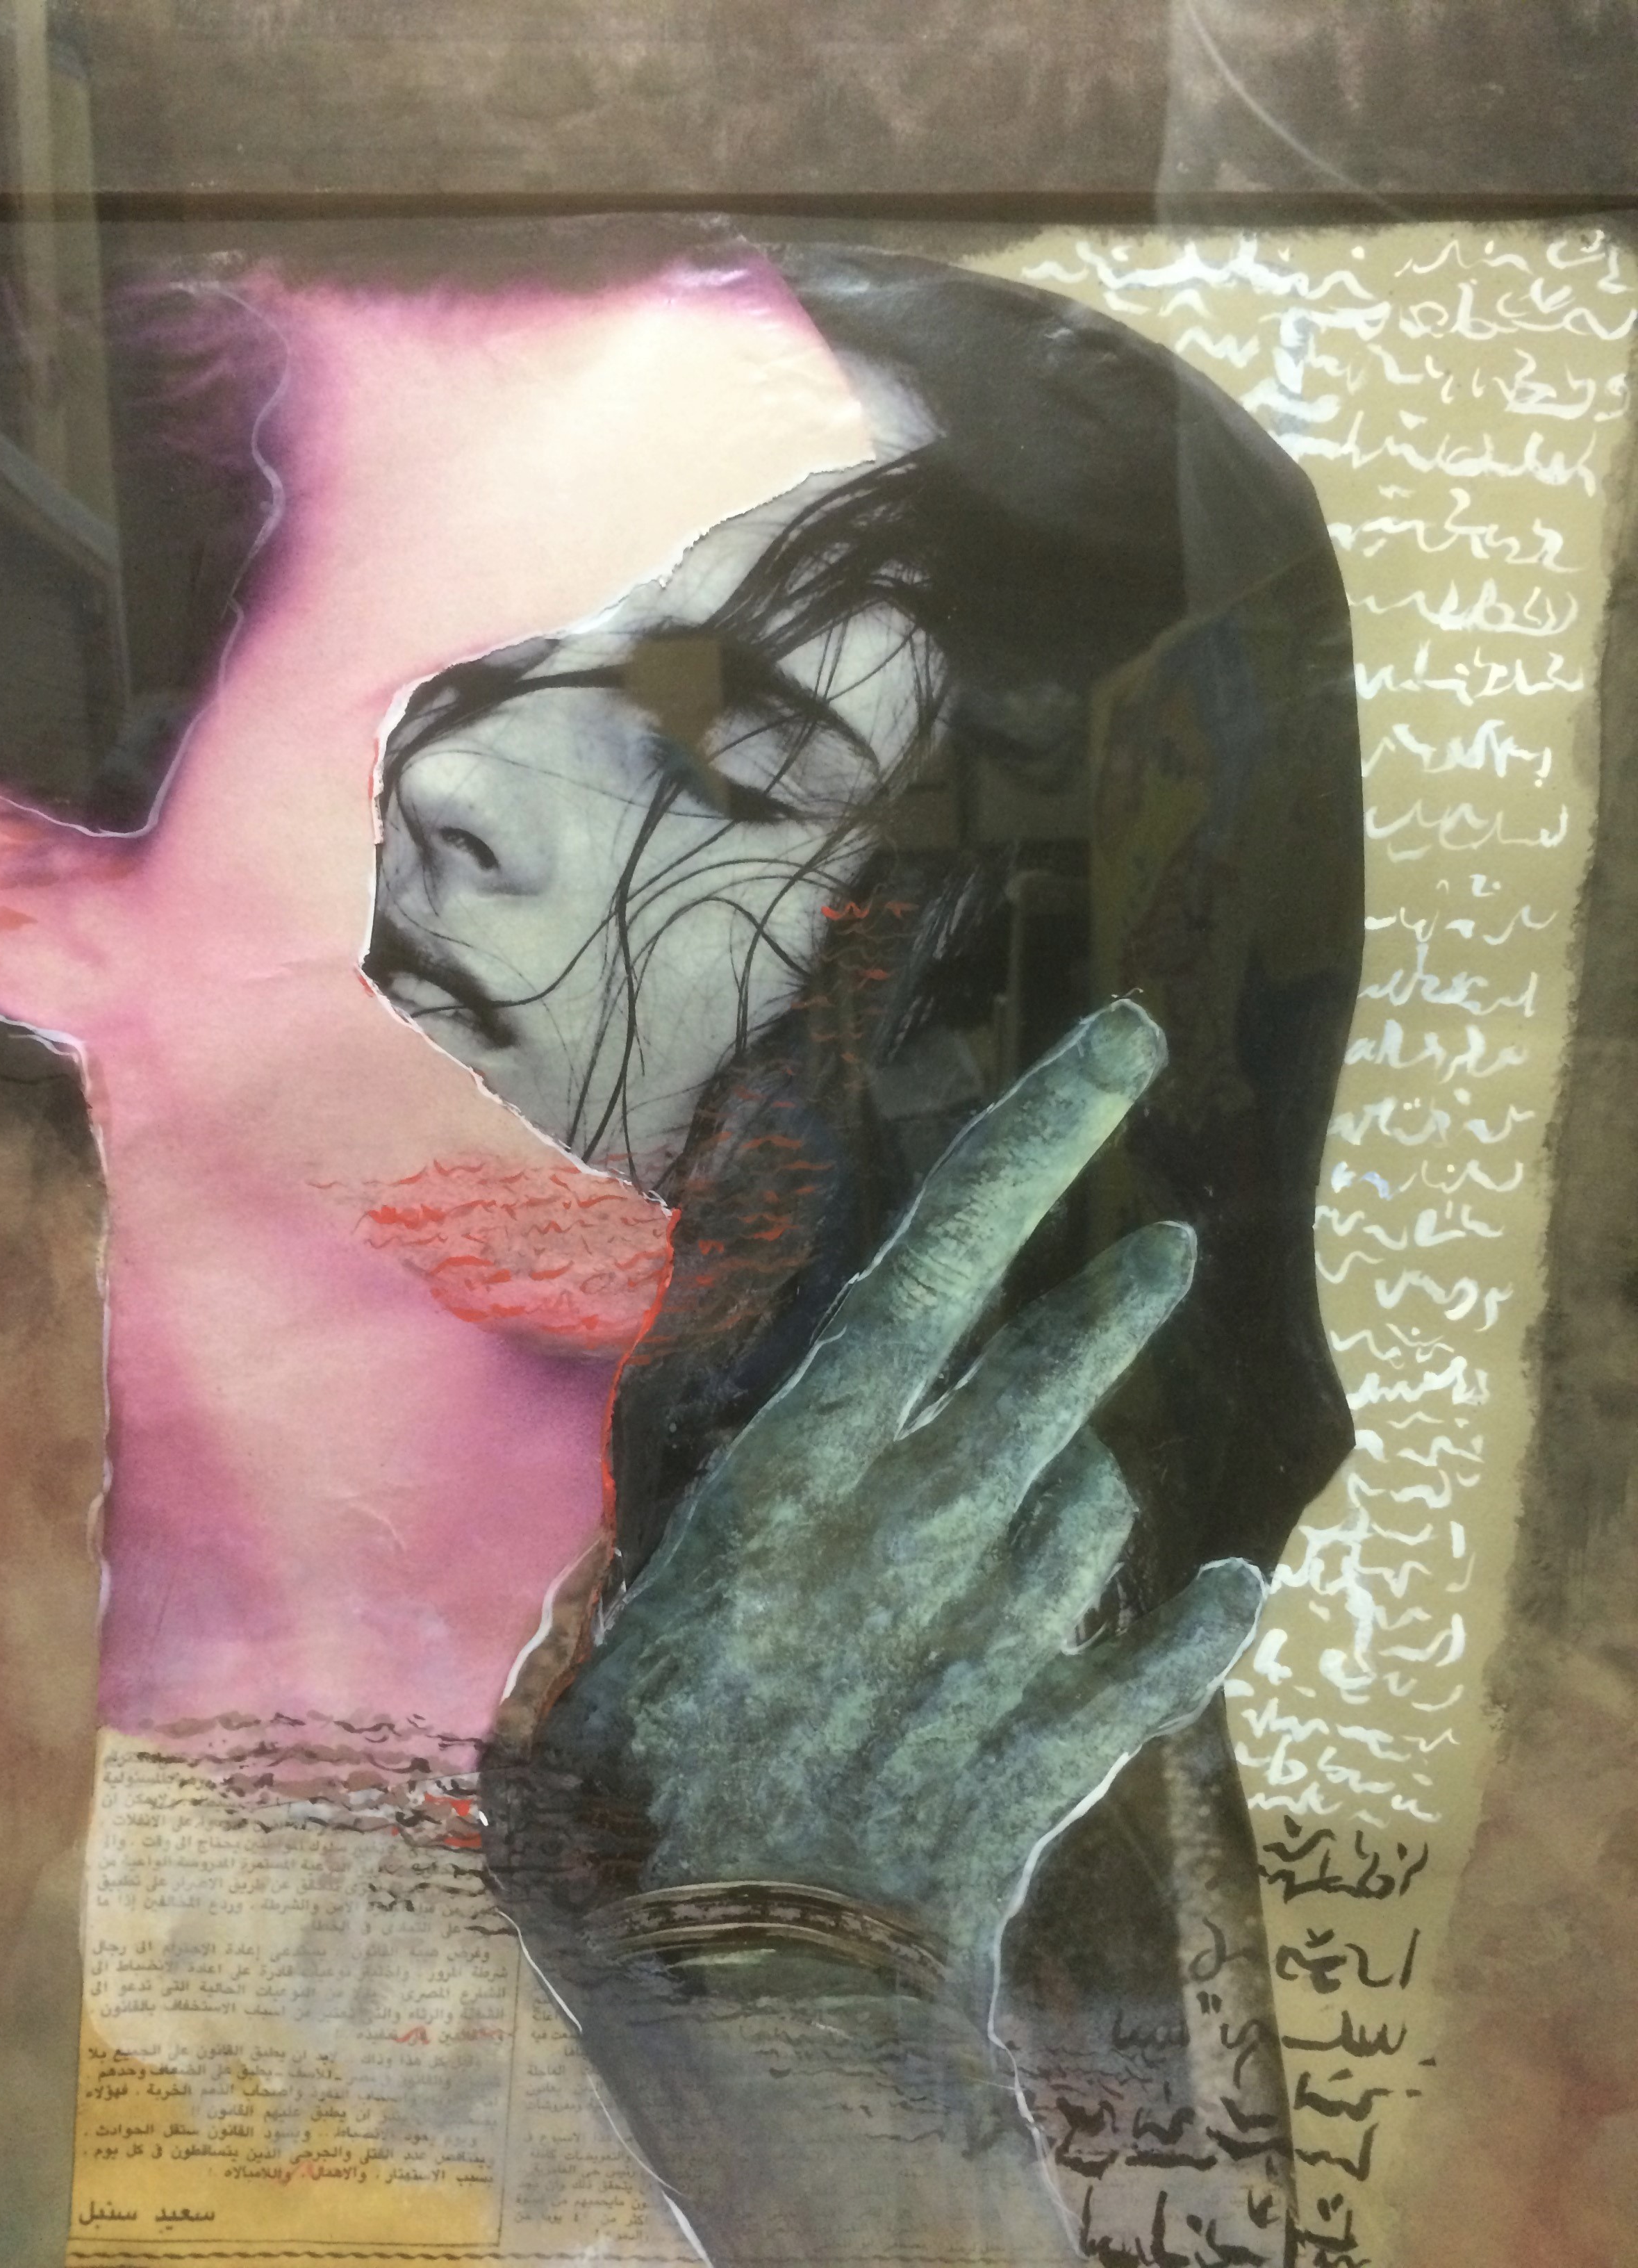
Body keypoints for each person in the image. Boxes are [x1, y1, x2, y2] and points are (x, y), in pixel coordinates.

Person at [363, 246, 1365, 2266]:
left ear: (975, 973)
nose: (444, 766)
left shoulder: (1043, 1653)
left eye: (731, 757)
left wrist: (789, 1976)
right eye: (573, 654)